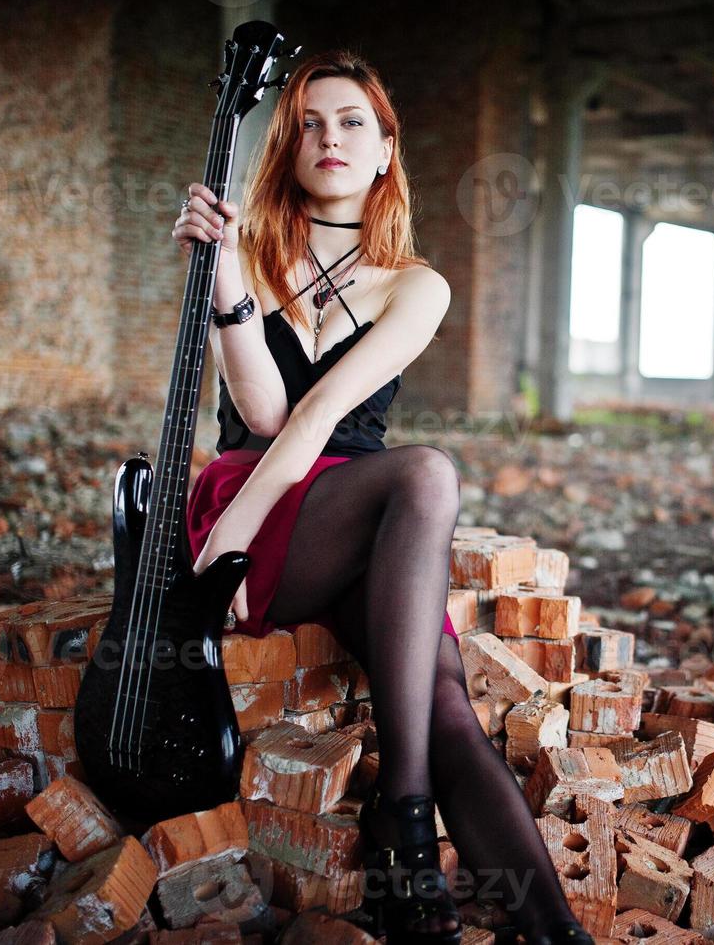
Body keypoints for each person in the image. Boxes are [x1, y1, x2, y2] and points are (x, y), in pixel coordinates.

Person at [175, 50, 591, 945]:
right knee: (427, 471)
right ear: (287, 149)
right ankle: (404, 817)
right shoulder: (242, 248)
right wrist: (222, 285)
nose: (330, 138)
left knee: (444, 702)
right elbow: (265, 413)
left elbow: (326, 412)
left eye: (351, 122)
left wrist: (231, 545)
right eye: (311, 125)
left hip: (354, 517)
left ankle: (554, 933)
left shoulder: (417, 284)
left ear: (383, 148)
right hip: (253, 497)